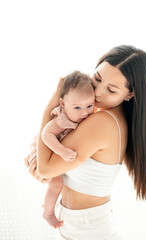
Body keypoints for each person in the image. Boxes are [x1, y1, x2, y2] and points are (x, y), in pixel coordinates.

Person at [25, 45, 146, 240]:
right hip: (83, 224)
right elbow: (49, 168)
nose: (98, 92)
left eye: (111, 89)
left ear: (130, 95)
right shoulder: (105, 116)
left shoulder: (102, 122)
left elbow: (45, 169)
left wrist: (51, 104)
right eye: (98, 79)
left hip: (89, 229)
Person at [26, 71, 95, 229]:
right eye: (77, 107)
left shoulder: (83, 115)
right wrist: (62, 151)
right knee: (57, 183)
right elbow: (46, 134)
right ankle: (48, 213)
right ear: (62, 104)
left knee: (59, 182)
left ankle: (48, 205)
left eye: (89, 106)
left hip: (53, 149)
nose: (84, 112)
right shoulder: (62, 119)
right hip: (41, 149)